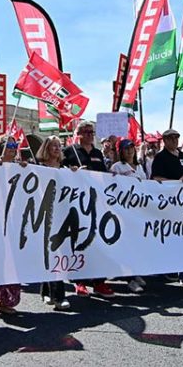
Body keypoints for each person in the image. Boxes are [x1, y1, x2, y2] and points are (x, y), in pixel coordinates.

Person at [62, 121, 114, 298]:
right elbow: (58, 172)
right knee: (79, 240)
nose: (91, 134)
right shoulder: (70, 151)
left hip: (97, 202)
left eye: (92, 131)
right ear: (79, 134)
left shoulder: (98, 153)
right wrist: (73, 171)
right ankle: (80, 281)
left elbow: (104, 175)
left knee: (98, 242)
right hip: (77, 203)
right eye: (87, 131)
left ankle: (99, 282)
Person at [151, 129, 183, 286]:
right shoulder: (160, 157)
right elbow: (156, 178)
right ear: (164, 140)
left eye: (177, 137)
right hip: (170, 204)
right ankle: (169, 269)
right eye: (171, 138)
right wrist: (176, 182)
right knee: (172, 239)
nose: (174, 140)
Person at [0, 137, 24, 319]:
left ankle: (6, 301)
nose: (12, 149)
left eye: (15, 146)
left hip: (17, 220)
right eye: (9, 146)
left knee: (14, 262)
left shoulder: (20, 167)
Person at [37, 136, 71, 310]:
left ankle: (46, 291)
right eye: (53, 146)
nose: (57, 149)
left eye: (59, 146)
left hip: (63, 215)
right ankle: (59, 296)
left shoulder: (66, 169)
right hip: (45, 215)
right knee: (51, 253)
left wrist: (77, 174)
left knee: (56, 253)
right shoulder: (39, 168)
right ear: (46, 149)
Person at [110, 139, 147, 293]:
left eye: (132, 148)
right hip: (124, 210)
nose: (130, 151)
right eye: (126, 149)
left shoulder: (140, 167)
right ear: (121, 152)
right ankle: (129, 279)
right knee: (126, 244)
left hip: (138, 210)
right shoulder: (117, 167)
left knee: (137, 244)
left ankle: (135, 272)